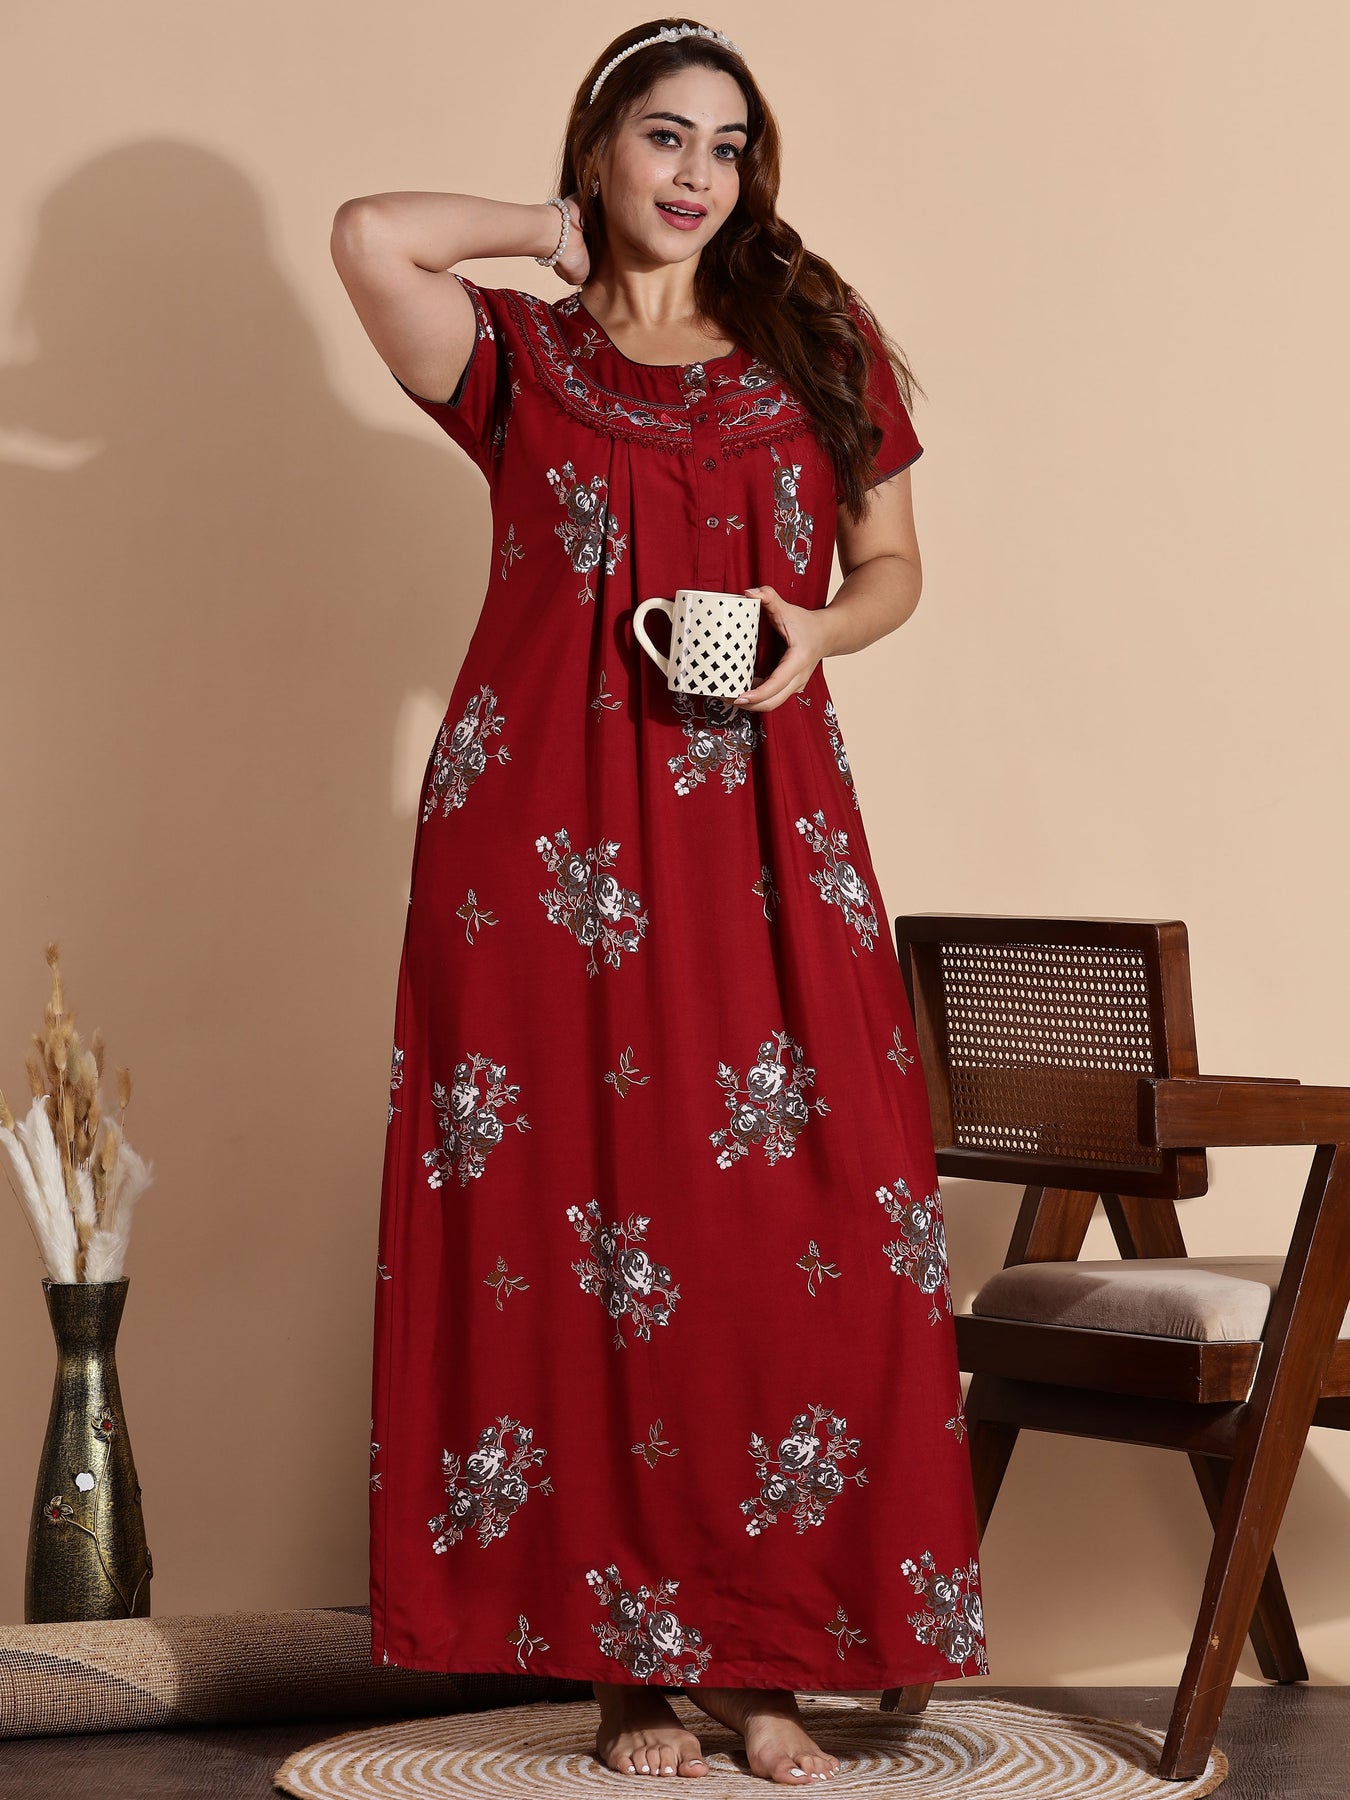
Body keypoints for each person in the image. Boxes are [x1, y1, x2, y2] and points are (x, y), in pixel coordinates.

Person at [331, 16, 987, 1785]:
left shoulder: (813, 337)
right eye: (663, 137)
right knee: (569, 1231)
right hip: (533, 844)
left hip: (762, 820)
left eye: (727, 145)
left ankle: (764, 1665)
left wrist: (814, 631)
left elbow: (892, 563)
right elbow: (369, 235)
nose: (698, 174)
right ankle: (625, 1672)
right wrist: (548, 237)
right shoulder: (518, 356)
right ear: (599, 151)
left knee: (789, 1228)